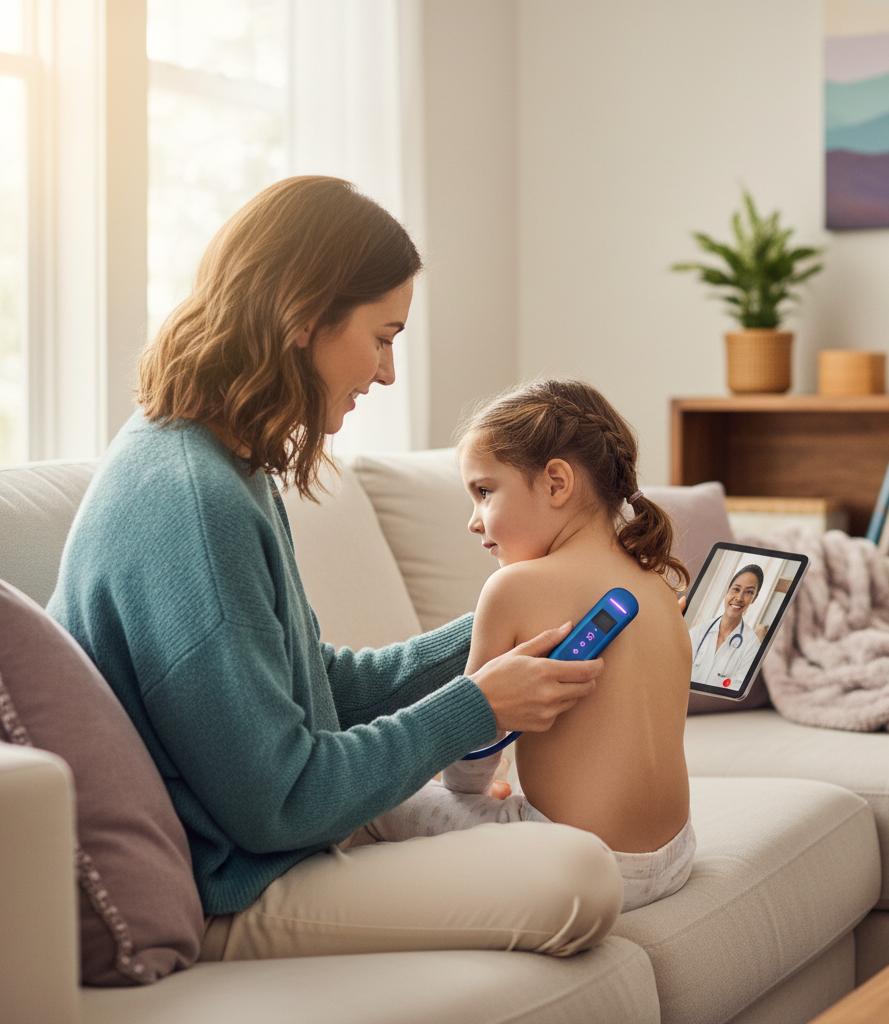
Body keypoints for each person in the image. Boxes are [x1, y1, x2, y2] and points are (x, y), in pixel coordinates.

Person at [47, 176, 624, 962]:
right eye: (383, 336)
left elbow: (317, 689)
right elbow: (281, 801)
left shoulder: (219, 462)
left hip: (258, 845)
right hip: (229, 882)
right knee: (582, 875)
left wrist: (513, 617)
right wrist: (475, 709)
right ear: (303, 317)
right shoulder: (196, 501)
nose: (386, 373)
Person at [368, 378, 697, 913]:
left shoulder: (513, 588)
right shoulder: (656, 585)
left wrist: (469, 788)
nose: (473, 520)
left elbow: (470, 759)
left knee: (379, 801)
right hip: (674, 856)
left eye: (483, 491)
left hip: (582, 863)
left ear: (556, 483)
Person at [688, 565, 763, 690]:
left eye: (749, 592)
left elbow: (738, 690)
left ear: (754, 598)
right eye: (736, 589)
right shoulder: (697, 632)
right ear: (727, 590)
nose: (739, 598)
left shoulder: (752, 645)